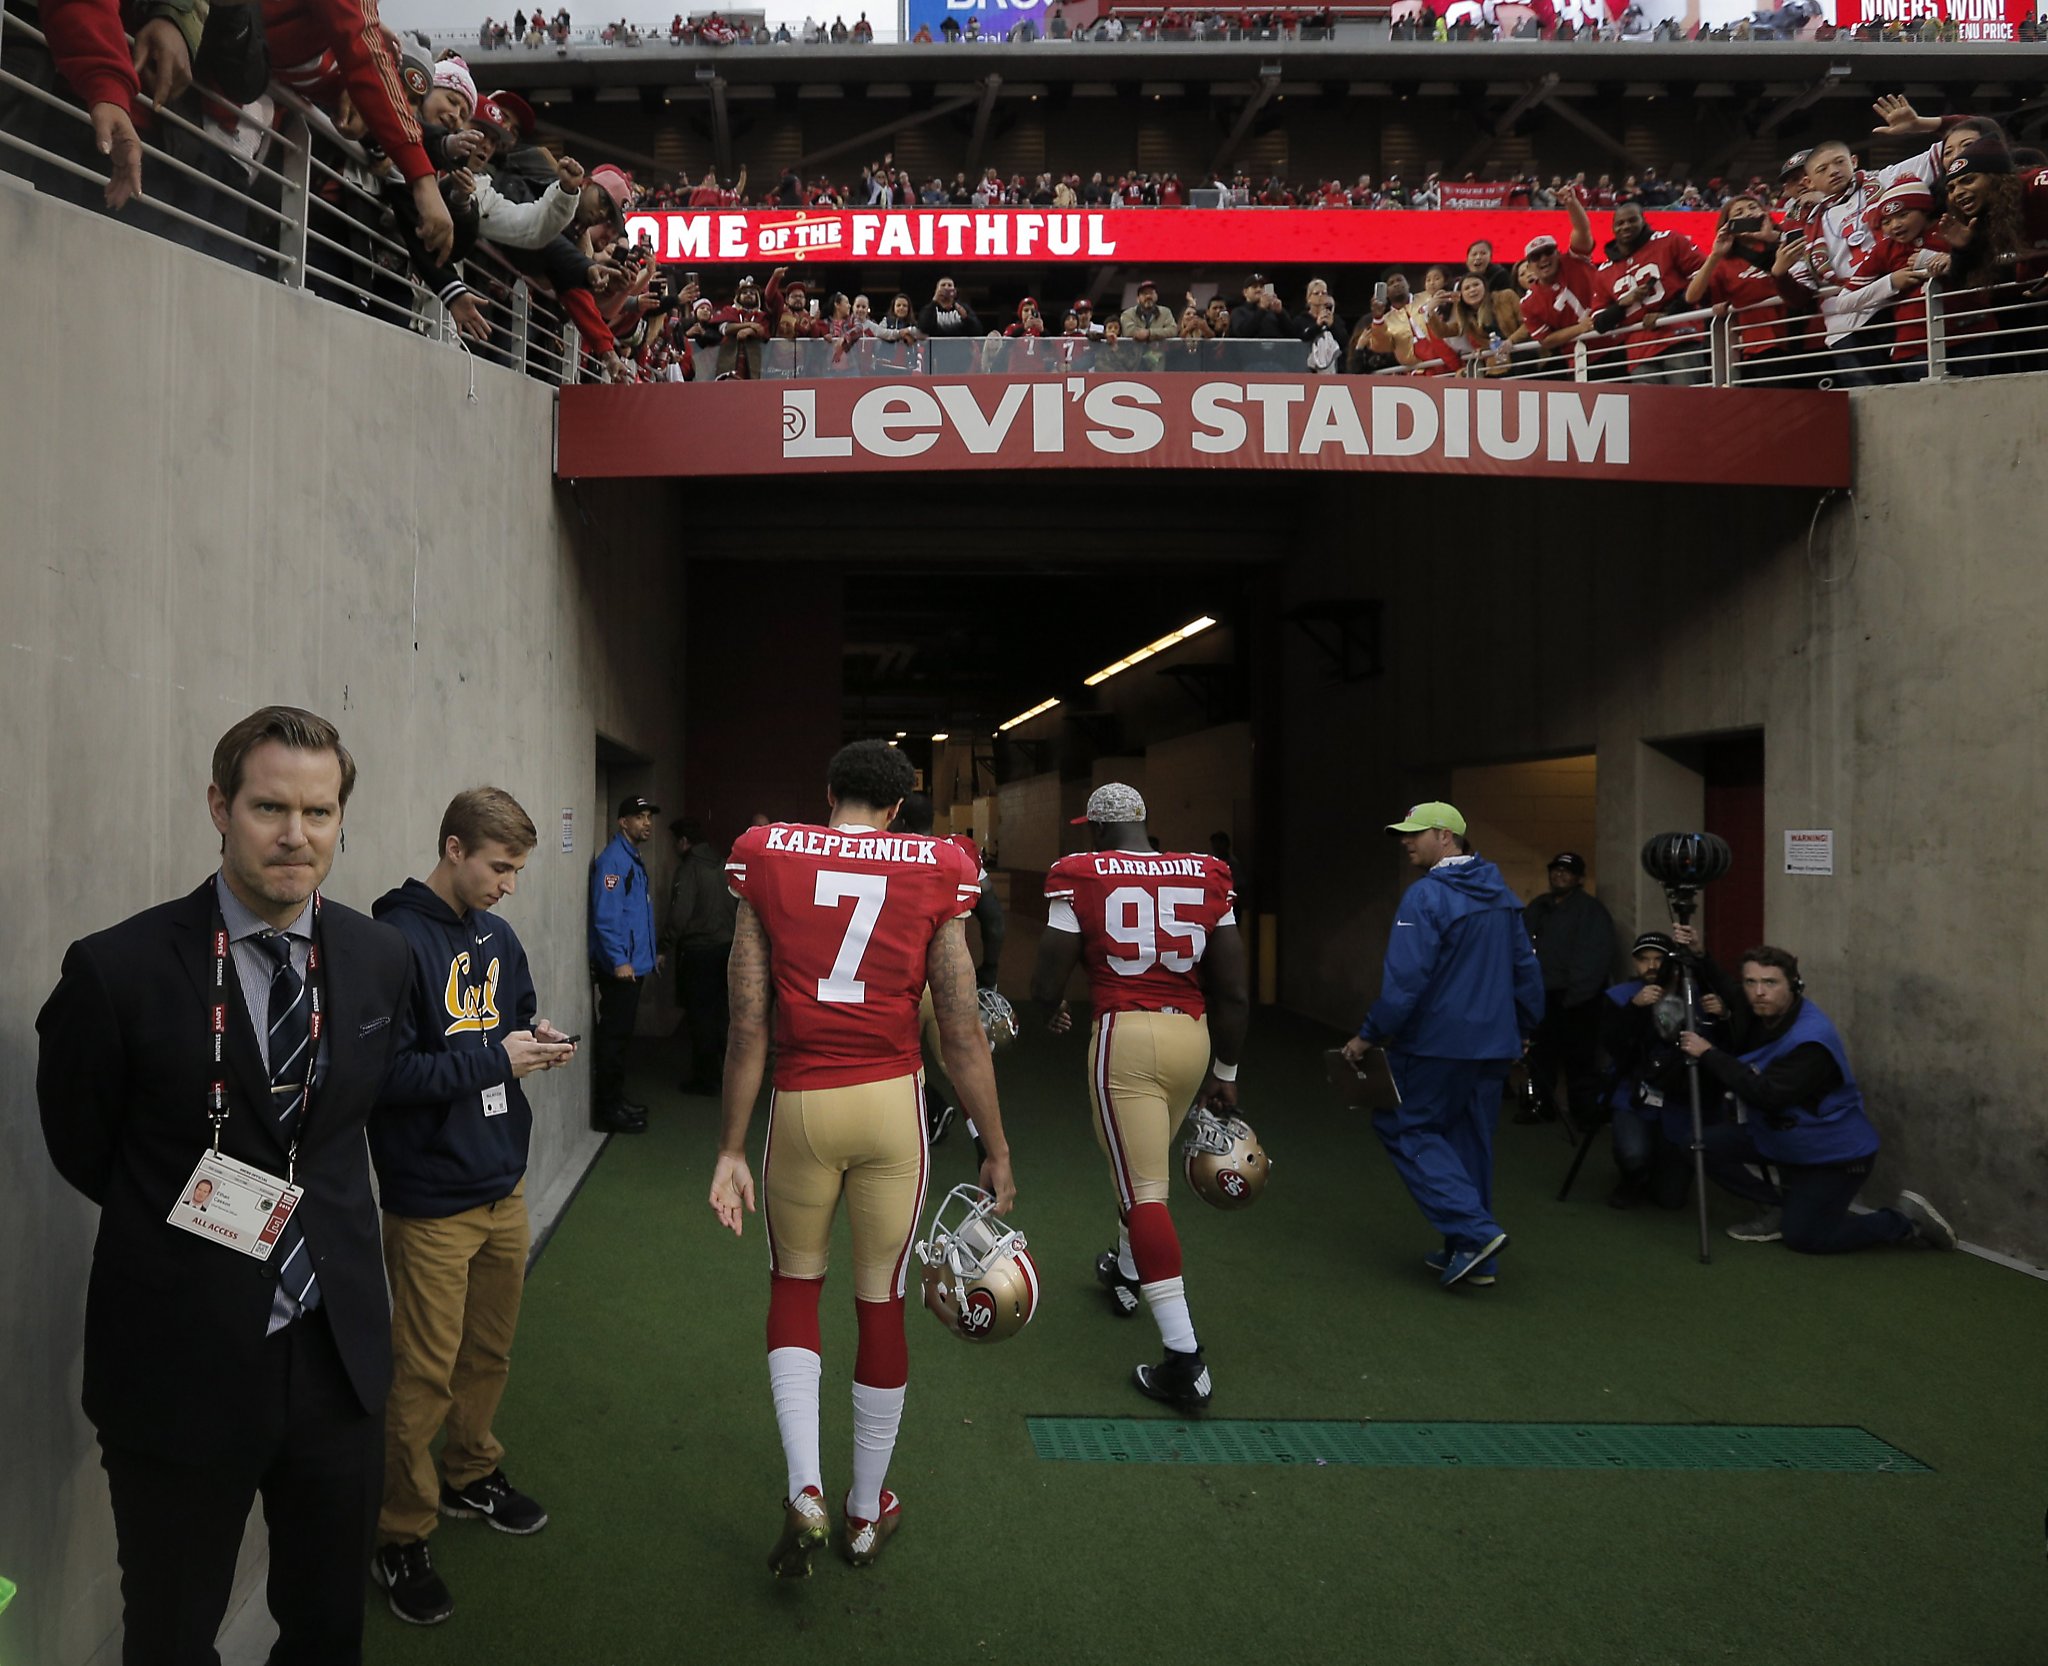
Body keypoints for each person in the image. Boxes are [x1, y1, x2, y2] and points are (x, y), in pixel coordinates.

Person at [37, 706, 414, 1666]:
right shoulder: (115, 972)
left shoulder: (379, 959)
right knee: (170, 1634)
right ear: (220, 806)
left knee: (327, 1627)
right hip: (178, 1363)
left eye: (320, 812)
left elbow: (341, 1135)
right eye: (270, 807)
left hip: (337, 1360)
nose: (296, 835)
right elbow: (89, 1151)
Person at [708, 742, 1014, 1577]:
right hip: (892, 1106)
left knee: (794, 1285)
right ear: (896, 808)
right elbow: (958, 1027)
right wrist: (995, 1144)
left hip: (806, 1102)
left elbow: (747, 1022)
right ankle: (863, 1509)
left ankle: (805, 1485)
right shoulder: (938, 863)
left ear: (829, 791)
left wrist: (731, 1146)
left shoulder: (766, 854)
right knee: (878, 1298)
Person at [368, 788, 574, 1624]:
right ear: (454, 848)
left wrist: (537, 1041)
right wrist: (499, 1060)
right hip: (430, 1202)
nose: (509, 885)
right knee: (420, 1371)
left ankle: (471, 1473)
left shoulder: (500, 934)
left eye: (518, 870)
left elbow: (511, 1021)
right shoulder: (390, 940)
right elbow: (386, 1078)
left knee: (487, 1353)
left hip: (502, 1183)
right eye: (499, 867)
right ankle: (399, 1533)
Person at [1030, 784, 1247, 1409]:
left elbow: (1049, 971)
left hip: (1126, 1033)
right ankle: (1127, 1271)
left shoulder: (1079, 873)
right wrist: (1227, 1067)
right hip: (1193, 1035)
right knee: (1142, 1166)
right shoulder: (1206, 873)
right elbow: (1232, 988)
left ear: (1096, 829)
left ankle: (1184, 1357)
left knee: (1143, 1189)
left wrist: (1048, 1009)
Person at [1342, 803, 1543, 1289]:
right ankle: (1474, 1255)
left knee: (1402, 1125)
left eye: (1414, 834)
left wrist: (1369, 1033)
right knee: (1469, 1139)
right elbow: (1527, 971)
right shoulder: (1502, 895)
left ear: (1445, 836)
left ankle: (1474, 1232)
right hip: (1493, 1045)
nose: (1406, 842)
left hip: (1434, 1043)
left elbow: (1405, 983)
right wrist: (1525, 1028)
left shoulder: (1425, 896)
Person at [1679, 947, 1958, 1254]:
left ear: (1794, 985)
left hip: (1835, 1156)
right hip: (1782, 1138)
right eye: (1751, 982)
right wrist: (1700, 955)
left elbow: (1768, 1095)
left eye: (1770, 983)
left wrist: (1708, 1054)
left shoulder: (1811, 1040)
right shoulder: (1761, 1008)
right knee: (1698, 1143)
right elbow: (1730, 990)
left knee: (1805, 1238)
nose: (1759, 992)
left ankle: (1904, 1220)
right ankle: (1777, 1206)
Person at [1598, 928, 1733, 1209]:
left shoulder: (1699, 996)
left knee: (1670, 1199)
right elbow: (1613, 1046)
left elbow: (1729, 1044)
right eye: (1643, 959)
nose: (1651, 966)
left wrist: (1723, 1015)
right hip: (1636, 1092)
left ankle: (1661, 1167)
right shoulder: (1621, 996)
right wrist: (1634, 1010)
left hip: (1682, 1097)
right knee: (1633, 1154)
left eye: (1658, 959)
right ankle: (1631, 1176)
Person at [1522, 853, 1616, 1126]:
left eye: (1567, 871)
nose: (1559, 875)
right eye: (1556, 869)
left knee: (1580, 1059)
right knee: (1541, 1055)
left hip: (1578, 999)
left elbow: (1595, 957)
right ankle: (1541, 1106)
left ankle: (1584, 1112)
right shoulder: (1538, 906)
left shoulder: (1591, 910)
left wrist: (1575, 996)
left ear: (1579, 878)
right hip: (1541, 995)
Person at [589, 795, 660, 1134]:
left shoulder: (632, 858)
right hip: (621, 970)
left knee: (621, 1039)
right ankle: (607, 1110)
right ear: (622, 822)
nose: (646, 823)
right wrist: (620, 961)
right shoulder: (613, 861)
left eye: (648, 817)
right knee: (613, 1041)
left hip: (636, 965)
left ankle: (617, 1101)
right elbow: (606, 918)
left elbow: (637, 915)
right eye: (639, 817)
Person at [664, 816, 739, 1095]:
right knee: (721, 1016)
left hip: (698, 953)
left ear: (684, 842)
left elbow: (679, 915)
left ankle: (706, 1079)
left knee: (700, 1018)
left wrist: (665, 945)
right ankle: (723, 1075)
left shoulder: (690, 869)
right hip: (726, 950)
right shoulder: (723, 864)